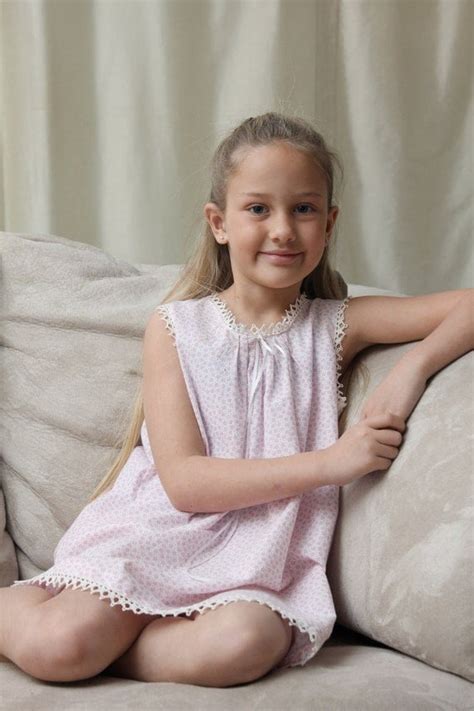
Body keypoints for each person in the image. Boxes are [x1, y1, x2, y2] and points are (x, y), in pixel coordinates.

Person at [1, 112, 472, 688]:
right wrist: (333, 463)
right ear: (219, 223)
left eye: (304, 209)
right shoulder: (175, 328)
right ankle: (69, 635)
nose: (283, 229)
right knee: (60, 647)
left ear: (329, 224)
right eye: (258, 209)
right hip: (159, 533)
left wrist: (412, 371)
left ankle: (114, 649)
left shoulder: (336, 326)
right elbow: (185, 483)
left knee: (244, 644)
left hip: (258, 559)